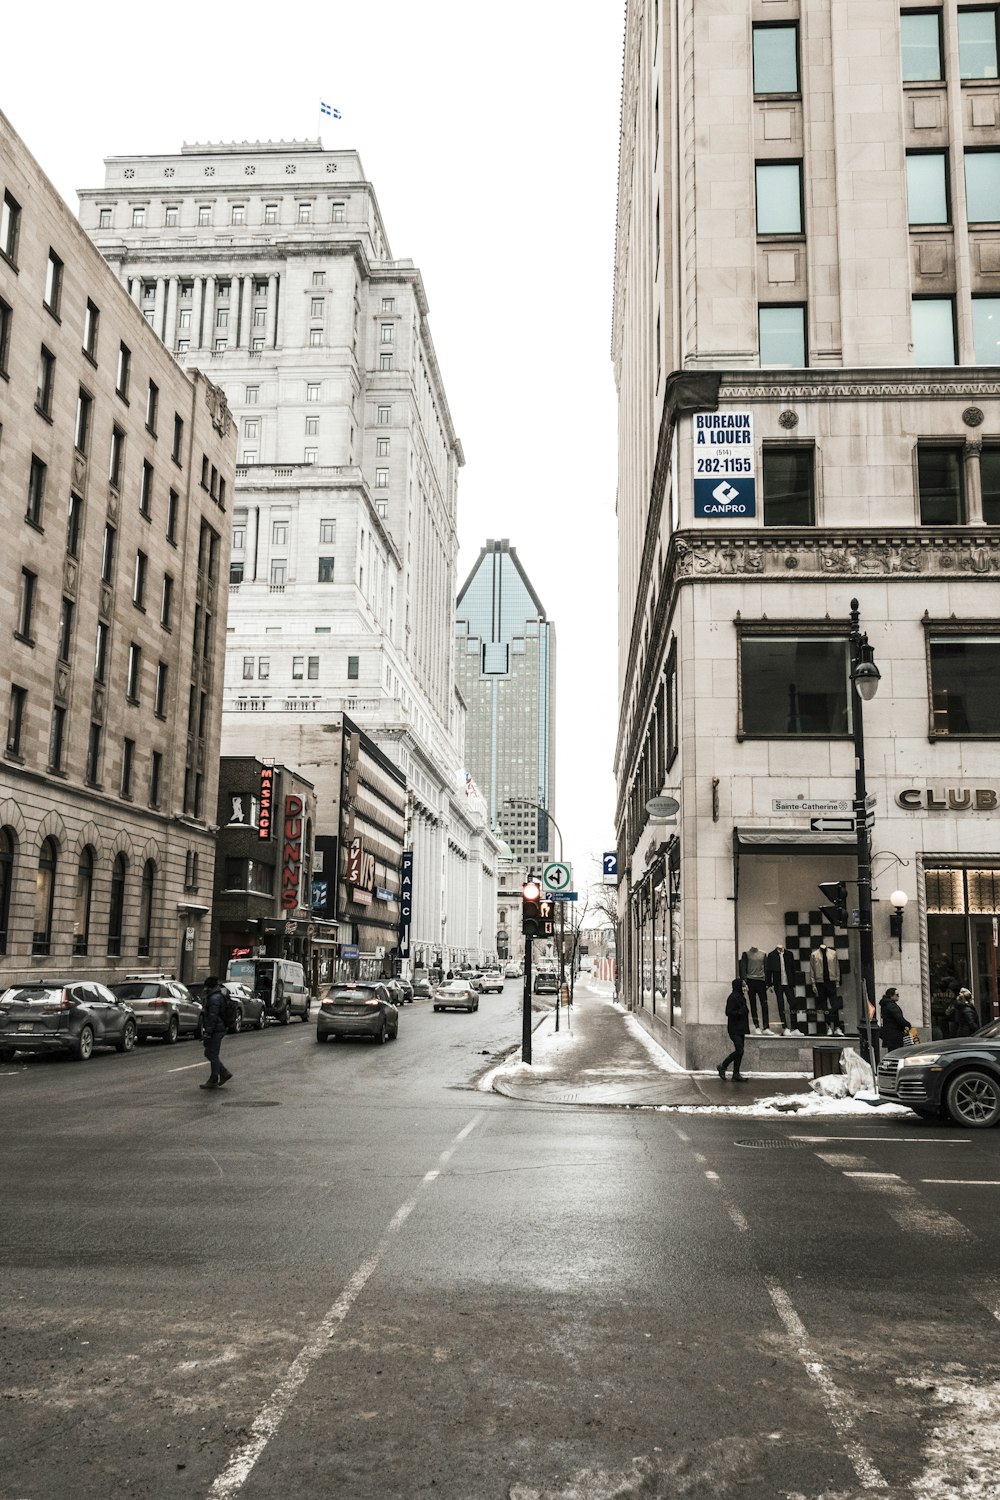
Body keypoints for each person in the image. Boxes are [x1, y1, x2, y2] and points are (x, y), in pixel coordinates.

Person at [201, 976, 232, 1091]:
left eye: (205, 987)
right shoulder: (216, 995)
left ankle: (215, 1078)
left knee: (211, 1053)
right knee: (209, 1052)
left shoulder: (214, 998)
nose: (204, 989)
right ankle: (222, 1073)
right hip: (218, 1028)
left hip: (216, 1029)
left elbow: (212, 1017)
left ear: (209, 986)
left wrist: (208, 1032)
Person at [718, 978, 750, 1081]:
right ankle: (723, 1066)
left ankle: (736, 1073)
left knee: (740, 1051)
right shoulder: (732, 998)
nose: (745, 987)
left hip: (741, 1028)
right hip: (734, 1029)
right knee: (739, 1051)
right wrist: (740, 1012)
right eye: (743, 985)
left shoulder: (741, 997)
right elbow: (728, 1012)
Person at [878, 987, 911, 1054]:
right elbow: (899, 1018)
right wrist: (907, 1024)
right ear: (891, 996)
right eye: (897, 995)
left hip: (889, 1034)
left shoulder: (885, 1005)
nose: (898, 996)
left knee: (892, 1052)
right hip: (895, 1034)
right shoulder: (892, 1006)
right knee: (897, 1052)